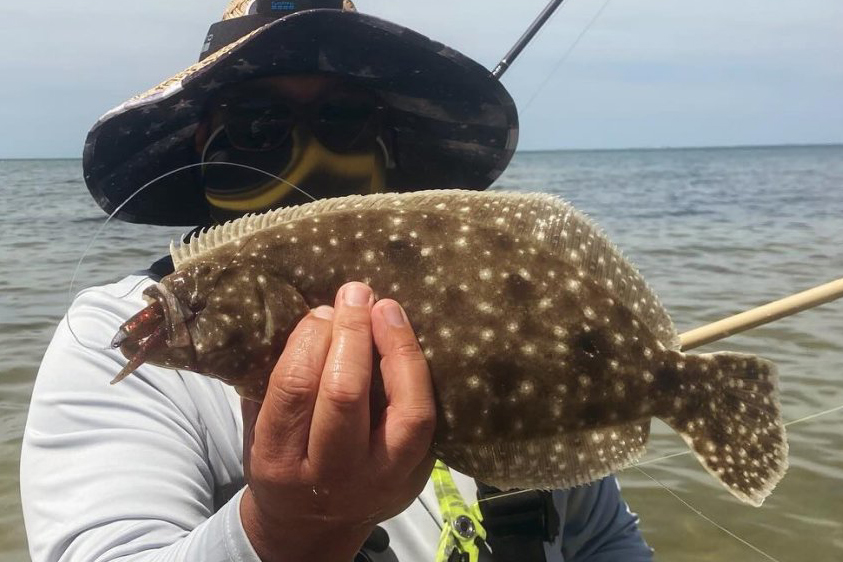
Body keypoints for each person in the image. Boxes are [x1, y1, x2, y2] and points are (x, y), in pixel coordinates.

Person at [20, 1, 654, 561]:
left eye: (345, 115)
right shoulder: (110, 333)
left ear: (387, 143)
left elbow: (600, 540)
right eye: (258, 122)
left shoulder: (503, 305)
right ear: (204, 141)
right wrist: (287, 531)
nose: (307, 148)